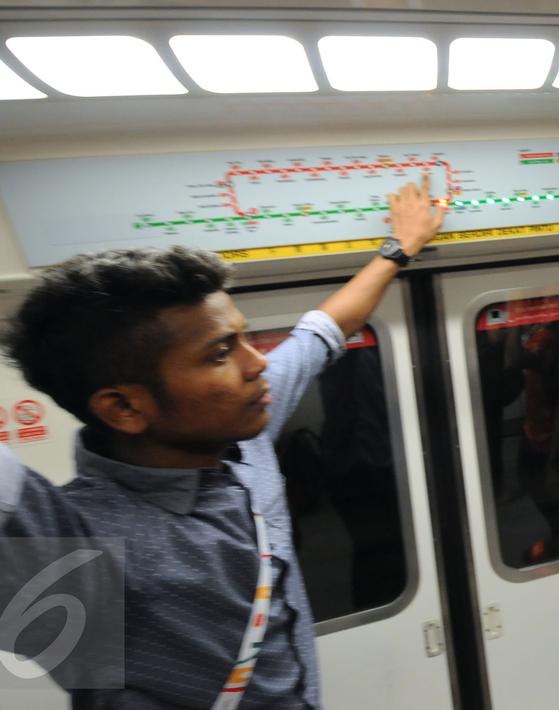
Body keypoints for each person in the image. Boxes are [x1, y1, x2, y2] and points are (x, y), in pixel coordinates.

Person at [0, 176, 443, 707]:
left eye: (243, 338)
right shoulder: (80, 545)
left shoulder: (236, 437)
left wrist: (400, 248)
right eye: (219, 353)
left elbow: (322, 332)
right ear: (124, 408)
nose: (258, 365)